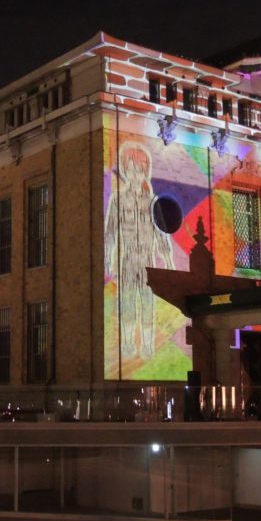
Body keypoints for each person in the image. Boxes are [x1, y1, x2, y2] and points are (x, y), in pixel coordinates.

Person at [105, 143, 174, 360]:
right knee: (126, 302)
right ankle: (127, 344)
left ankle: (147, 345)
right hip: (127, 258)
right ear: (125, 171)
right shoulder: (117, 199)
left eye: (139, 170)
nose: (135, 175)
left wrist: (169, 262)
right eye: (131, 169)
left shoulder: (152, 202)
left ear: (145, 172)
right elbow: (110, 231)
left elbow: (161, 233)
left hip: (147, 259)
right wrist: (107, 257)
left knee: (147, 302)